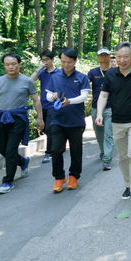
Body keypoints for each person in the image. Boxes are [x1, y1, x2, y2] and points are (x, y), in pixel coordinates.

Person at [97, 42, 131, 207]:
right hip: (117, 121)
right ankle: (128, 184)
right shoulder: (110, 75)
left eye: (126, 56)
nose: (122, 60)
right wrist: (99, 113)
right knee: (122, 157)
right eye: (119, 57)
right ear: (116, 57)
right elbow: (103, 96)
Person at [0, 53, 44, 194]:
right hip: (3, 118)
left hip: (18, 119)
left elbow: (36, 100)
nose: (11, 67)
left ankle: (8, 181)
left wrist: (40, 118)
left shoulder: (27, 81)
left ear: (19, 64)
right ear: (4, 66)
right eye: (7, 64)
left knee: (10, 150)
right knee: (2, 148)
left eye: (13, 63)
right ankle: (22, 162)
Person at [46, 49, 91, 193]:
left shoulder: (82, 77)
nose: (66, 64)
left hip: (76, 121)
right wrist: (53, 97)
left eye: (69, 62)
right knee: (56, 150)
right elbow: (47, 96)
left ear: (75, 61)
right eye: (63, 61)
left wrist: (69, 101)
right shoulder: (55, 76)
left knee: (76, 150)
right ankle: (59, 177)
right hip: (57, 120)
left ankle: (74, 176)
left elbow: (84, 96)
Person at [30, 49, 61, 164]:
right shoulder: (42, 73)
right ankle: (59, 144)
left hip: (54, 105)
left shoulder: (59, 73)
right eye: (43, 60)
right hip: (43, 104)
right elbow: (29, 81)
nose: (45, 62)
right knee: (45, 128)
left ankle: (49, 153)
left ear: (52, 60)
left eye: (47, 60)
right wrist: (39, 68)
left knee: (49, 128)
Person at [87, 48, 115, 171]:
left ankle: (107, 159)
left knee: (108, 134)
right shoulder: (93, 72)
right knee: (99, 133)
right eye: (101, 56)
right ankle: (103, 152)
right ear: (98, 58)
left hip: (111, 107)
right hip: (95, 107)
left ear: (109, 57)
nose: (103, 58)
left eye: (106, 55)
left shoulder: (115, 71)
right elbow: (84, 85)